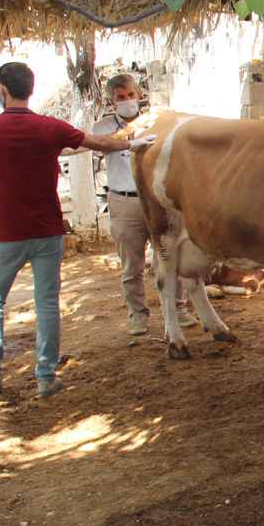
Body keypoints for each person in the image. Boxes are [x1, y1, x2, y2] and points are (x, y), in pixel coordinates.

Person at [0, 62, 155, 398]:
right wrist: (134, 145)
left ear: (2, 90)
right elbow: (100, 143)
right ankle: (46, 376)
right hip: (48, 231)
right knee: (47, 303)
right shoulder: (51, 128)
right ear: (31, 90)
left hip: (6, 235)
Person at [94, 73, 195, 336]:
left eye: (131, 95)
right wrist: (130, 141)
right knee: (131, 265)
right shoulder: (103, 127)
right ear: (111, 100)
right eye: (120, 97)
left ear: (139, 95)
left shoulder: (156, 122)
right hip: (126, 201)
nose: (127, 101)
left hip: (159, 201)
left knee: (170, 256)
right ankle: (138, 314)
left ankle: (179, 308)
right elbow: (106, 144)